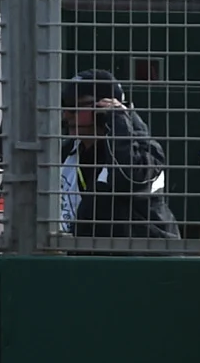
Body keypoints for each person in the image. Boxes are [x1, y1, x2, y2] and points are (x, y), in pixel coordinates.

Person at [59, 69, 179, 240]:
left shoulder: (144, 149)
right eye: (65, 107)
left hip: (141, 258)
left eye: (74, 108)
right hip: (91, 256)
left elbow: (130, 177)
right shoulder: (70, 151)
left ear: (103, 108)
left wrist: (119, 120)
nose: (66, 116)